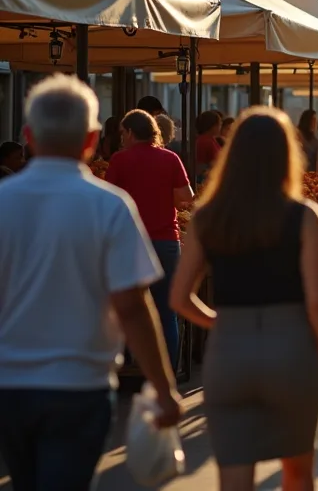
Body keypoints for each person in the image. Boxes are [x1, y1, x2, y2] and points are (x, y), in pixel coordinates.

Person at [0, 76, 180, 490]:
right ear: (93, 139)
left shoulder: (5, 200)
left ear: (27, 137)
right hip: (80, 384)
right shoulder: (110, 206)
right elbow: (134, 307)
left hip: (10, 383)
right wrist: (163, 388)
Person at [170, 107, 318, 491]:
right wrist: (315, 351)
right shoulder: (305, 216)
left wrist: (219, 322)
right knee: (297, 472)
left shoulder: (208, 217)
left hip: (229, 351)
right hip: (291, 347)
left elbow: (179, 297)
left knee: (234, 475)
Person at [106, 109, 194, 369]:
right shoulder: (171, 158)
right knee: (166, 312)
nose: (121, 138)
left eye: (122, 133)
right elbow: (185, 197)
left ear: (131, 133)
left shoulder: (119, 161)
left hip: (129, 244)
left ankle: (130, 366)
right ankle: (166, 370)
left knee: (127, 309)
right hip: (166, 242)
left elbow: (110, 200)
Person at [195, 109, 224, 174]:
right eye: (219, 124)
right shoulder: (204, 141)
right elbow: (200, 166)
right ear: (212, 126)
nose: (220, 127)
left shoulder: (211, 139)